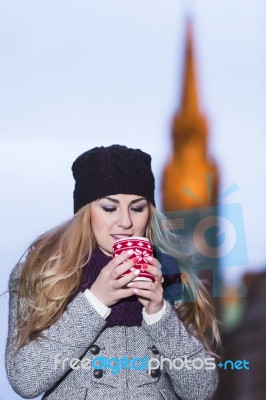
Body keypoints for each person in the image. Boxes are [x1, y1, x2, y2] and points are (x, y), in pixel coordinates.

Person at [5, 145, 220, 400]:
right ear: (86, 212)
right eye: (109, 208)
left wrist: (160, 313)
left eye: (137, 208)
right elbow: (25, 380)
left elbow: (201, 390)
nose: (126, 222)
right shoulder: (46, 271)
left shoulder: (171, 273)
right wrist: (96, 301)